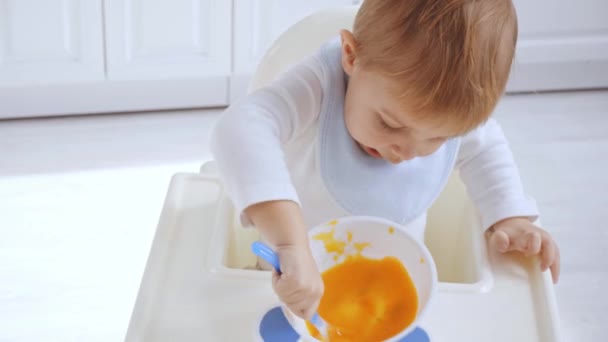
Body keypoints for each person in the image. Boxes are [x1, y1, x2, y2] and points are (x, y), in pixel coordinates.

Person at [210, 0, 560, 321]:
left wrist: (510, 216)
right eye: (390, 124)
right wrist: (287, 242)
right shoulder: (318, 86)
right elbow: (240, 126)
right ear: (351, 55)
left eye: (438, 138)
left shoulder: (447, 114)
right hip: (290, 284)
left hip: (390, 297)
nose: (405, 152)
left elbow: (486, 147)